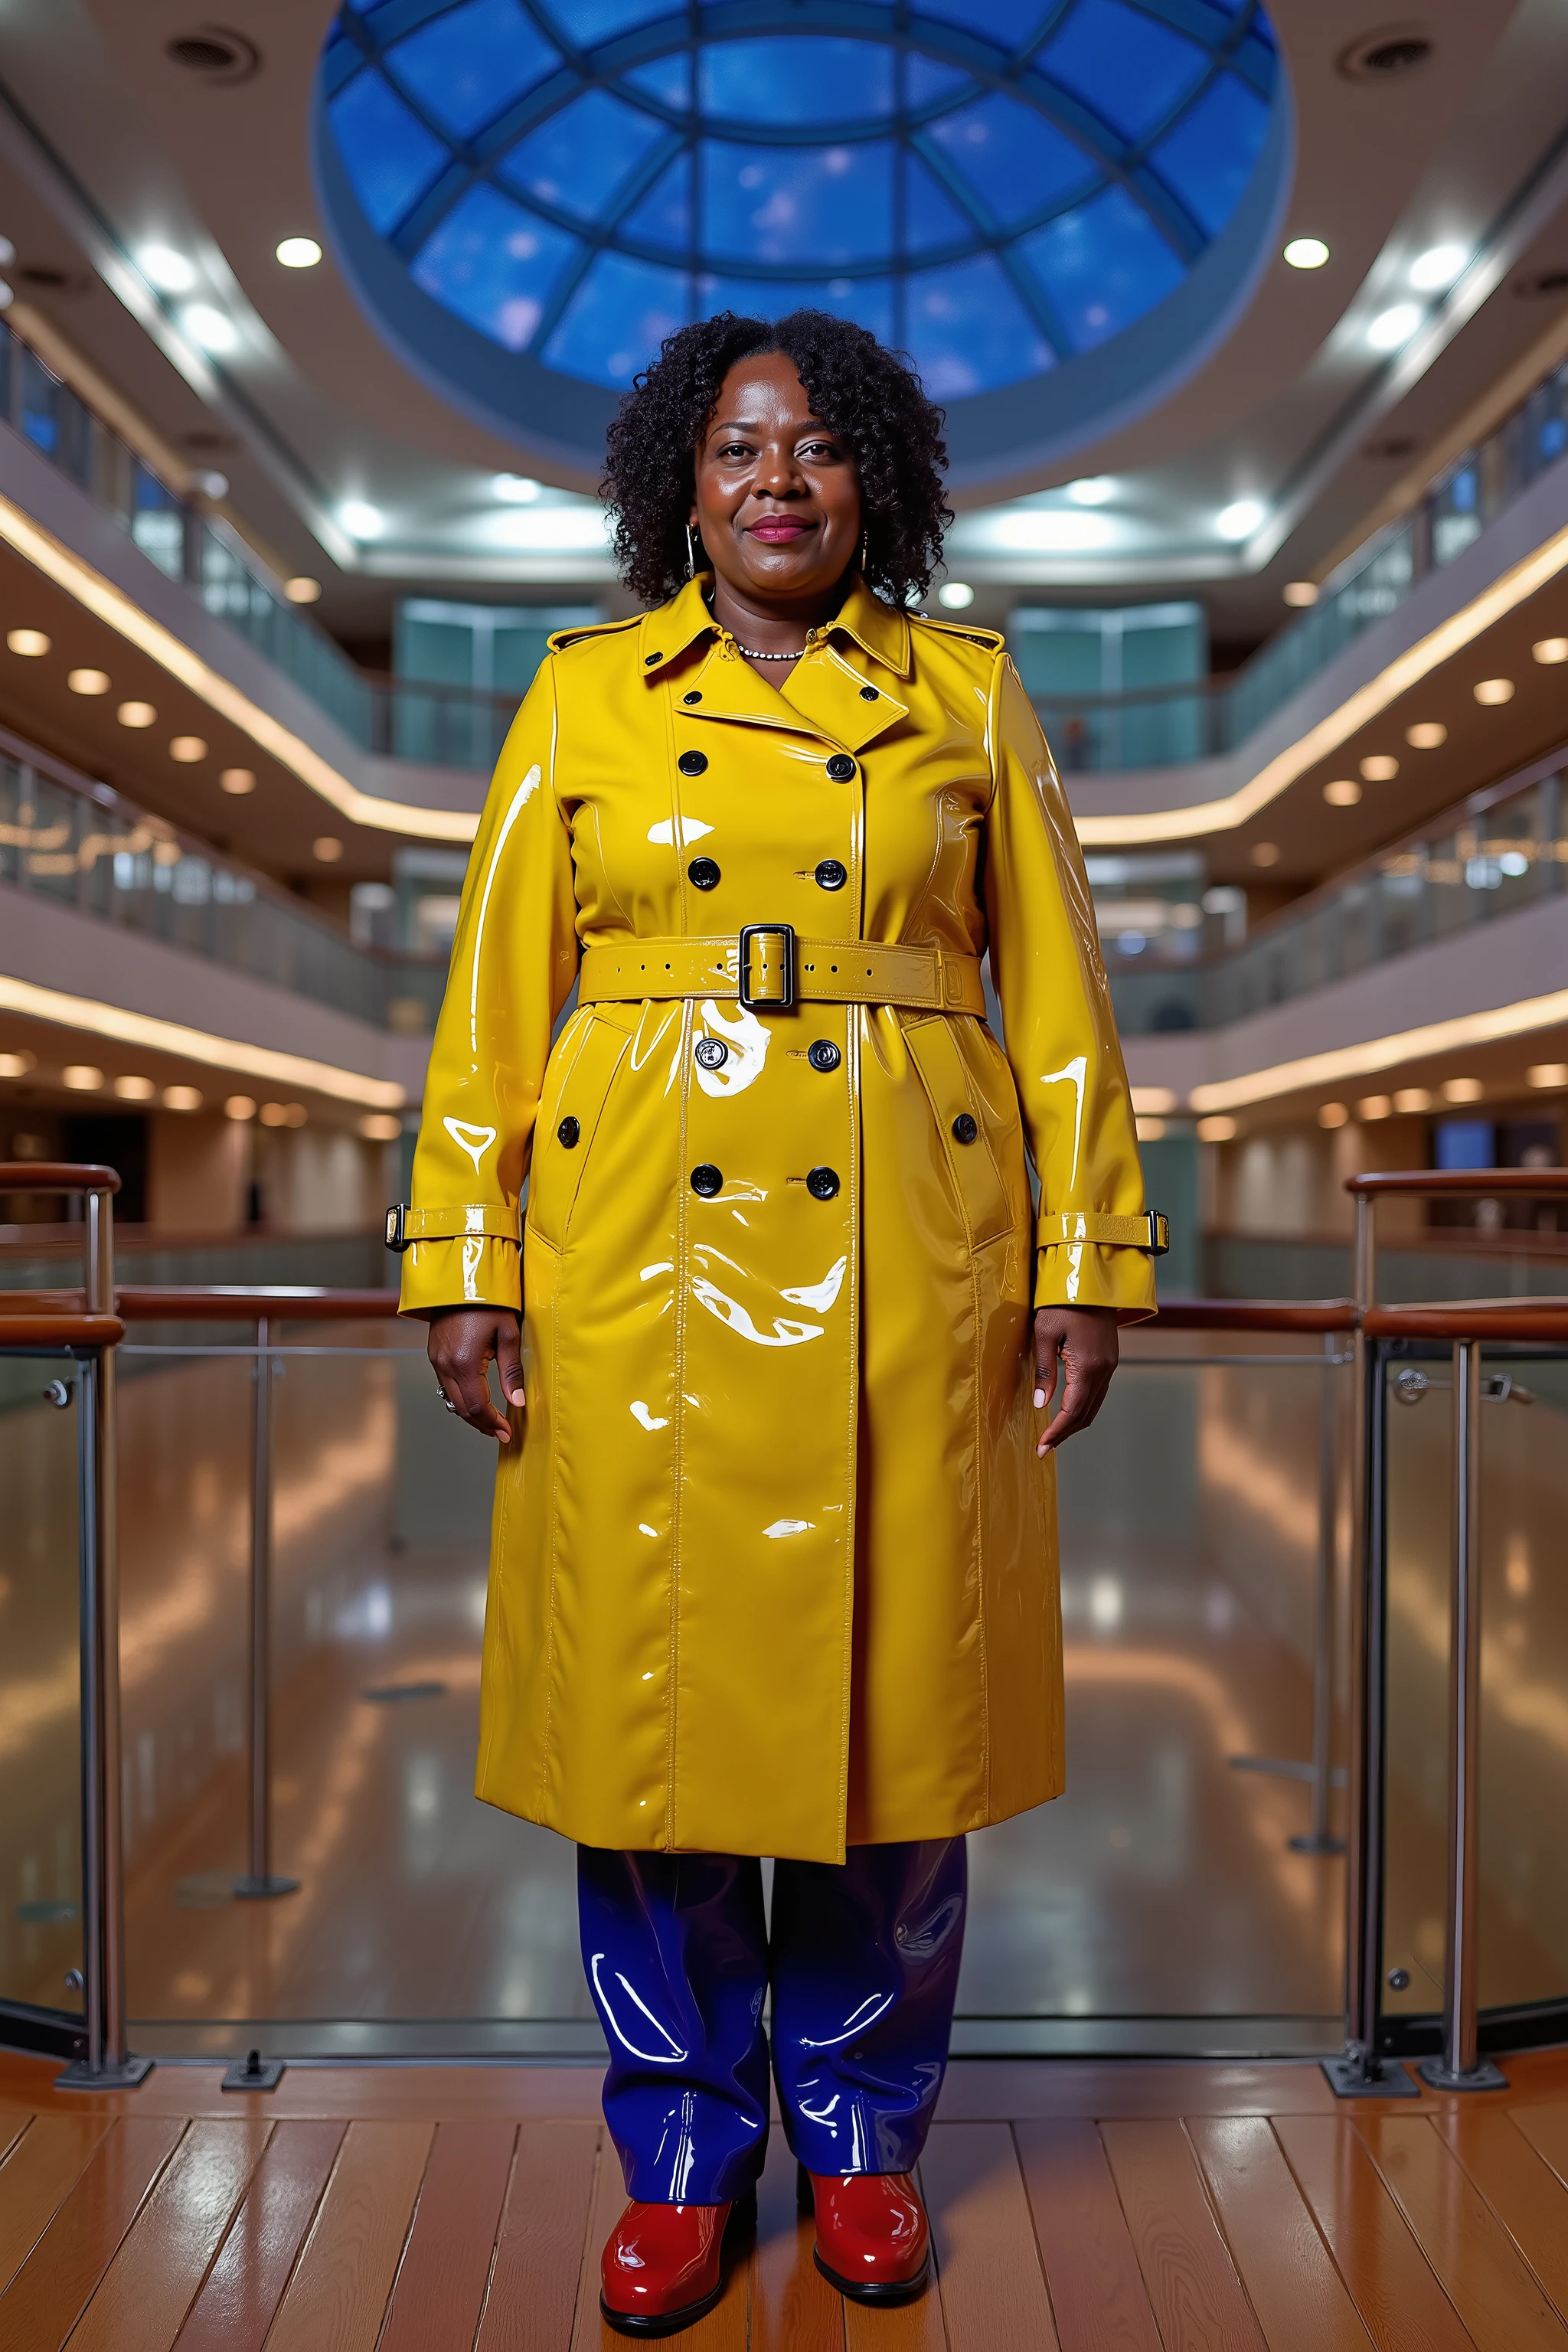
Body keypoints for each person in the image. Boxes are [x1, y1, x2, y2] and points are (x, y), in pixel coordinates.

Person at [394, 309, 1162, 2337]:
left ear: (874, 481)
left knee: (892, 1723)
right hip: (634, 1235)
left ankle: (859, 2139)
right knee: (643, 1733)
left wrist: (1088, 1263)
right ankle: (673, 2150)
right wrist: (467, 1259)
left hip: (914, 1241)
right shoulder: (577, 701)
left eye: (817, 448)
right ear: (682, 481)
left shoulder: (971, 700)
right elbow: (489, 1023)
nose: (778, 482)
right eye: (739, 449)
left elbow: (1065, 1022)